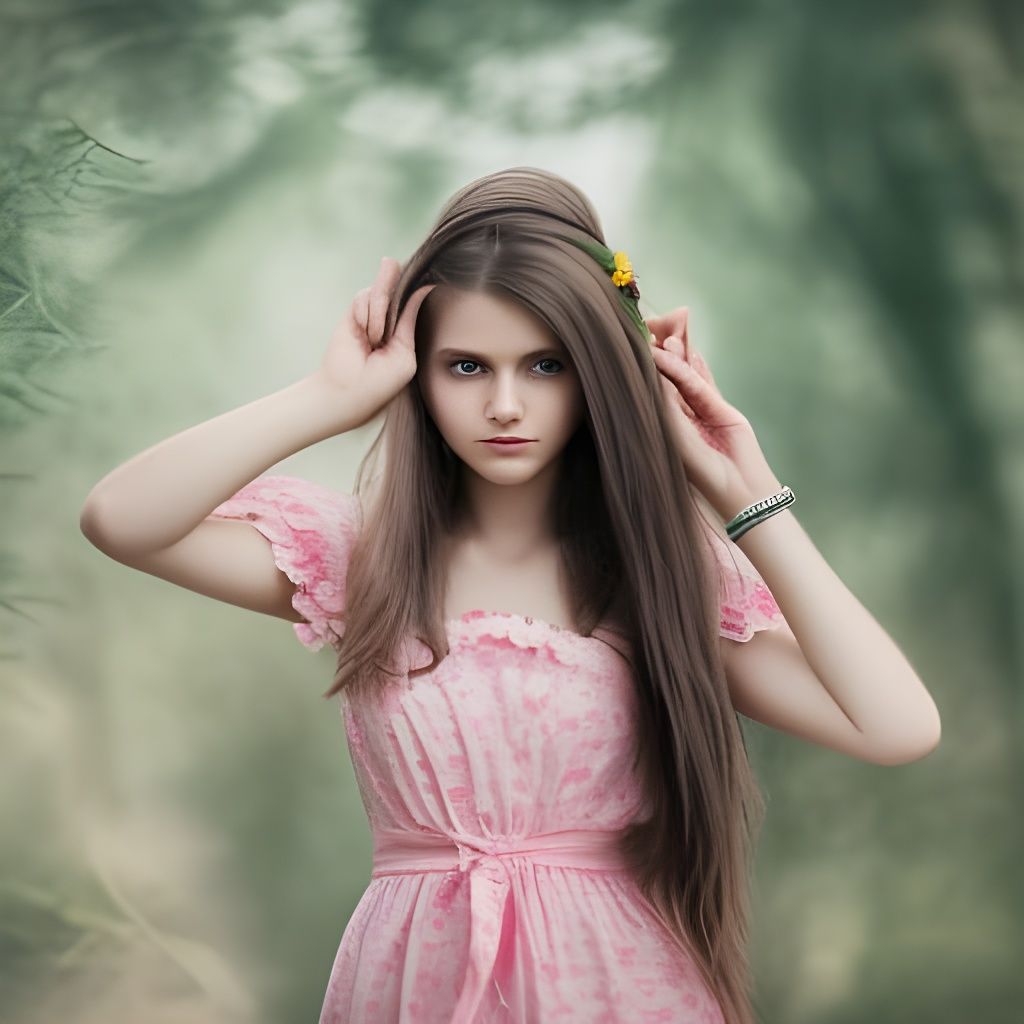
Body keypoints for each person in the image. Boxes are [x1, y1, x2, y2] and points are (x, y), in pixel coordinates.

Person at [80, 166, 941, 1024]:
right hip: (412, 985)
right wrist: (328, 399)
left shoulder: (663, 583)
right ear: (418, 376)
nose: (503, 404)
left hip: (619, 990)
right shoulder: (364, 562)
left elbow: (898, 727)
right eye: (465, 366)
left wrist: (742, 490)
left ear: (601, 374)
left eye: (545, 365)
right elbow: (121, 519)